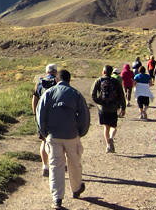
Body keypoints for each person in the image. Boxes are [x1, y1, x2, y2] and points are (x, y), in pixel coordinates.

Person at [36, 70, 90, 209]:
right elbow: (84, 115)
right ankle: (77, 188)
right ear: (69, 79)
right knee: (75, 163)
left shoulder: (48, 93)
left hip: (53, 136)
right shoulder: (76, 94)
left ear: (56, 80)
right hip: (72, 135)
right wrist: (81, 132)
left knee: (55, 167)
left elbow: (40, 113)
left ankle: (57, 198)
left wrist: (44, 132)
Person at [91, 65, 126, 153]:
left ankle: (108, 146)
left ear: (103, 72)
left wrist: (100, 102)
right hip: (113, 108)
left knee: (106, 127)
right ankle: (111, 138)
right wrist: (123, 107)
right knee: (113, 126)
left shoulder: (99, 80)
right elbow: (121, 95)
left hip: (103, 108)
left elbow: (93, 94)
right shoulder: (116, 81)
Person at [32, 63, 58, 177]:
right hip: (55, 115)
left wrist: (35, 114)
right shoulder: (57, 82)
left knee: (43, 141)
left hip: (42, 116)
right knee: (57, 141)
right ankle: (58, 164)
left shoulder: (39, 82)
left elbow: (35, 99)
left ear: (46, 71)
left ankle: (45, 166)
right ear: (55, 72)